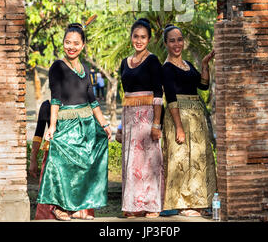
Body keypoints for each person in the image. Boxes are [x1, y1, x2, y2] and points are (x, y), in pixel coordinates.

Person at [36, 23, 112, 221]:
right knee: (60, 165)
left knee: (85, 166)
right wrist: (52, 126)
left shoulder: (85, 69)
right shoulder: (57, 67)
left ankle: (78, 208)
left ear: (83, 45)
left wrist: (104, 124)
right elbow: (56, 98)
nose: (71, 46)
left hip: (86, 123)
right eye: (67, 42)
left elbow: (92, 99)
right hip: (66, 123)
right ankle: (59, 208)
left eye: (76, 43)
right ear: (63, 43)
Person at [162, 24, 217, 217]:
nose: (177, 44)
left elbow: (202, 85)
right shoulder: (166, 69)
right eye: (172, 40)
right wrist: (178, 127)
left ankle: (200, 202)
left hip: (196, 118)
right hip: (179, 118)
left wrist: (203, 65)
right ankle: (184, 205)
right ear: (166, 44)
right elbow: (171, 98)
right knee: (181, 159)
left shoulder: (187, 65)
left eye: (179, 39)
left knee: (198, 159)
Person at [120, 18, 164, 218]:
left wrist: (156, 124)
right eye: (136, 36)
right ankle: (132, 206)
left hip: (147, 119)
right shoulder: (124, 63)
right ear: (131, 38)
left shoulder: (153, 60)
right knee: (131, 163)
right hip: (129, 119)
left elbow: (158, 94)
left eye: (143, 37)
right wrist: (121, 127)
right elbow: (125, 98)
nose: (139, 40)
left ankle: (151, 205)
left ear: (149, 39)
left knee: (148, 164)